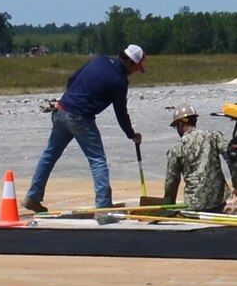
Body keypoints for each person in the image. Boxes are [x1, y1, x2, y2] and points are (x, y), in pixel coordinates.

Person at [23, 44, 146, 213]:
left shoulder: (98, 60)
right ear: (130, 62)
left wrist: (70, 101)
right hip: (80, 118)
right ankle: (103, 206)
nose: (135, 71)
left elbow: (72, 79)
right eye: (136, 67)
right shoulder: (120, 81)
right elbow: (121, 112)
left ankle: (32, 197)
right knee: (97, 161)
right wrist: (131, 134)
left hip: (61, 110)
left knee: (50, 155)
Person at [161, 103, 231, 212]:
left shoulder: (176, 148)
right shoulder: (213, 136)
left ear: (180, 124)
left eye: (176, 126)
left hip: (194, 205)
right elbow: (231, 156)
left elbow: (172, 181)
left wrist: (168, 207)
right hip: (218, 200)